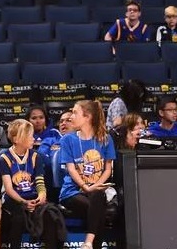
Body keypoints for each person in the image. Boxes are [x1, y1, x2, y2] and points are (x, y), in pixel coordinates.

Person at [0, 119, 66, 249]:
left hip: (33, 196)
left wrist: (41, 195)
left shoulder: (36, 156)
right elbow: (8, 188)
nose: (33, 138)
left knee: (50, 215)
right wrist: (23, 202)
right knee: (18, 217)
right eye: (29, 136)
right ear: (17, 139)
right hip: (13, 198)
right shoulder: (5, 158)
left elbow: (40, 181)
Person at [59, 100, 115, 249]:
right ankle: (90, 244)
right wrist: (85, 186)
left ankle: (88, 242)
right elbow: (71, 169)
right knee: (98, 209)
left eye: (75, 113)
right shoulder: (67, 139)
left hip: (95, 191)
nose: (71, 117)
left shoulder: (105, 139)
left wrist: (94, 186)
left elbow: (108, 169)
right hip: (72, 192)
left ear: (87, 117)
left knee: (98, 196)